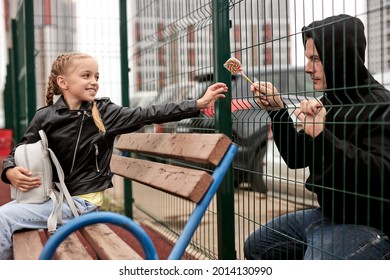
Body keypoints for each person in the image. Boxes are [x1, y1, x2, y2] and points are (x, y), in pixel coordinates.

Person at [0, 52, 228, 260]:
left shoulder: (106, 113)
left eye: (96, 76)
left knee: (4, 218)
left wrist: (197, 104)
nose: (94, 82)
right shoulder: (46, 117)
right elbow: (20, 149)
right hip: (55, 198)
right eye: (86, 75)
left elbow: (149, 114)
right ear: (63, 82)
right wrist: (9, 170)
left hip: (82, 203)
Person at [244, 14, 390, 259]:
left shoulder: (381, 106)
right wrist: (278, 111)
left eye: (316, 59)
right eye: (307, 58)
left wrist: (324, 136)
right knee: (255, 246)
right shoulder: (329, 102)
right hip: (328, 216)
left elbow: (382, 174)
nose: (307, 68)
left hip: (369, 225)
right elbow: (296, 158)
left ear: (339, 59)